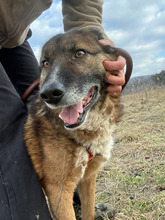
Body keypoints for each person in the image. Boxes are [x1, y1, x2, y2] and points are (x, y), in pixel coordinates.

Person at [0, 0, 125, 219]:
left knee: (37, 102)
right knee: (8, 123)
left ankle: (75, 206)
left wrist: (95, 38)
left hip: (13, 38)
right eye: (46, 64)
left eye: (79, 54)